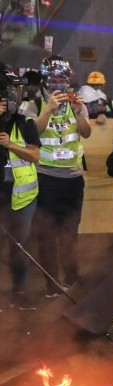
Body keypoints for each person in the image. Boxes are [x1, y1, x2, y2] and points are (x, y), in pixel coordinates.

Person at [30, 55, 91, 298]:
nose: (58, 84)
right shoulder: (33, 102)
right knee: (47, 233)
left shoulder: (77, 102)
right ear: (46, 79)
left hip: (73, 178)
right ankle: (51, 284)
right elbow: (31, 133)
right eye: (54, 78)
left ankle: (72, 278)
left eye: (63, 79)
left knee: (70, 231)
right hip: (46, 176)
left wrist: (78, 112)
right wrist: (48, 109)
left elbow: (85, 133)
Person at [0, 67, 41, 310]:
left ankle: (20, 290)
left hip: (22, 197)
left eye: (15, 91)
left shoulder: (26, 123)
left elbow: (35, 156)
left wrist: (11, 145)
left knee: (19, 246)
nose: (13, 96)